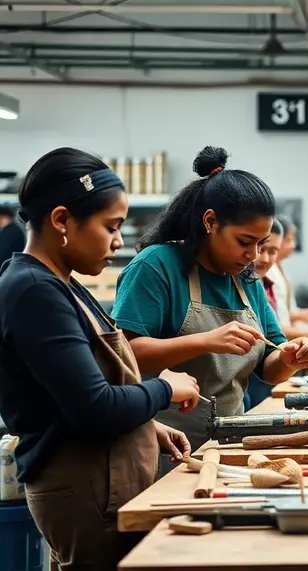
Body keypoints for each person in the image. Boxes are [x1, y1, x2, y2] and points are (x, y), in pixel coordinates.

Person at [0, 148, 201, 570]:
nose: (118, 242)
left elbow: (72, 392)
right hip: (84, 489)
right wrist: (165, 388)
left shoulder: (62, 284)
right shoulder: (35, 291)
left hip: (101, 482)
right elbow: (93, 408)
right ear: (61, 221)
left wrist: (146, 425)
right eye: (110, 227)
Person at [112, 146, 308, 471]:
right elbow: (125, 354)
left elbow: (269, 366)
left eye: (261, 244)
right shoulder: (158, 266)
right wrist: (206, 340)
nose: (253, 255)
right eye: (244, 241)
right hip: (164, 449)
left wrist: (290, 358)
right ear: (210, 221)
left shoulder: (246, 281)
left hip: (231, 445)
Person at [264, 215, 308, 345]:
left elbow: (279, 314)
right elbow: (273, 323)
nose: (292, 245)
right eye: (288, 240)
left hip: (284, 337)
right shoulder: (266, 273)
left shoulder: (278, 268)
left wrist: (301, 315)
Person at [244, 217, 287, 410]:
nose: (263, 258)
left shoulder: (254, 285)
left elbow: (277, 347)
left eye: (273, 251)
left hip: (246, 391)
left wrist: (290, 355)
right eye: (261, 249)